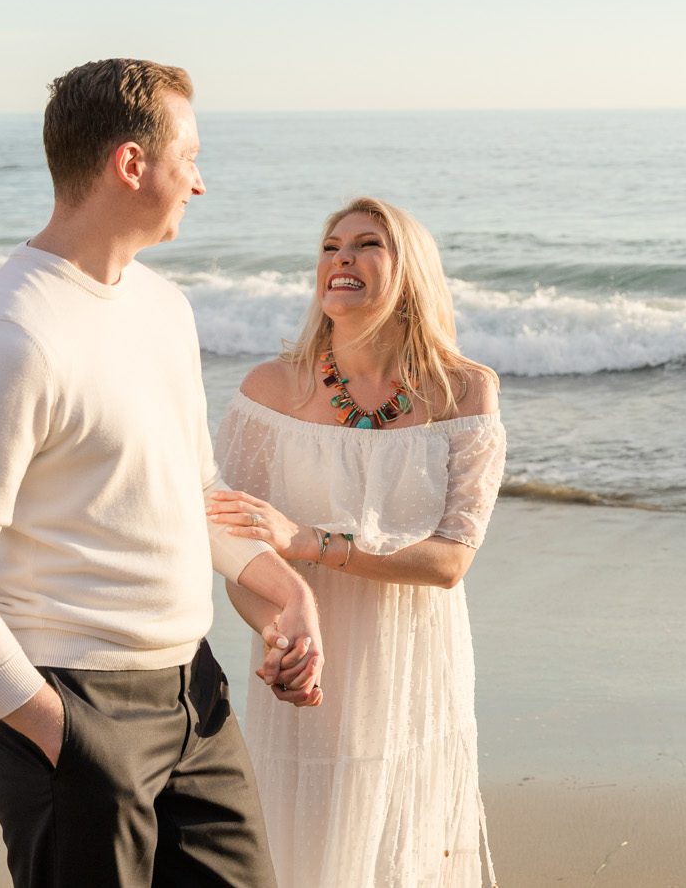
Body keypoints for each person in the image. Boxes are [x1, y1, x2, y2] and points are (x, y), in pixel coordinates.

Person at [0, 58, 326, 888]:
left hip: (196, 695)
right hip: (72, 702)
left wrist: (286, 591)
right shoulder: (11, 338)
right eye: (190, 158)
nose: (200, 183)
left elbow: (192, 492)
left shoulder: (166, 306)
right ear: (132, 164)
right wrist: (60, 734)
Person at [207, 196, 506, 888]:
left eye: (367, 243)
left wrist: (309, 541)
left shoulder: (464, 392)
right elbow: (236, 552)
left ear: (409, 271)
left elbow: (451, 560)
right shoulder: (269, 389)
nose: (341, 257)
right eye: (329, 245)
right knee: (304, 853)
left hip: (413, 664)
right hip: (311, 663)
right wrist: (282, 632)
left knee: (404, 854)